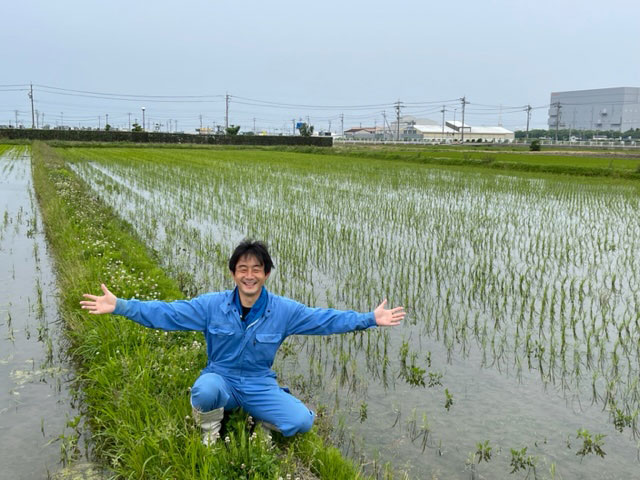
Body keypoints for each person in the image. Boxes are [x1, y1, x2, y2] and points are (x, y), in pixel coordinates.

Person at [80, 240, 405, 445]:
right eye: (242, 269)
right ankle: (210, 430)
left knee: (301, 421)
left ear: (266, 274)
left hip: (258, 383)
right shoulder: (212, 305)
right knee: (204, 390)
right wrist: (121, 305)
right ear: (234, 273)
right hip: (221, 377)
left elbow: (325, 319)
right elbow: (168, 313)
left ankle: (266, 416)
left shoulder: (284, 311)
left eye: (257, 269)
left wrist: (369, 318)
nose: (249, 275)